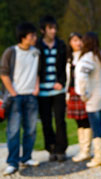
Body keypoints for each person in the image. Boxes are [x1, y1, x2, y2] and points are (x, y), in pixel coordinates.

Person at [0, 22, 40, 176]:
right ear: (23, 37)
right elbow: (3, 73)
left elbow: (37, 71)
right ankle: (12, 162)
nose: (35, 38)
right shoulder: (11, 52)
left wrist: (36, 87)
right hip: (15, 97)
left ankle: (26, 157)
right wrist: (13, 92)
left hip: (31, 95)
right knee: (13, 130)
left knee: (30, 130)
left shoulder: (36, 52)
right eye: (32, 36)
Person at [36, 15, 68, 162]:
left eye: (55, 28)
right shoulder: (36, 46)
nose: (53, 31)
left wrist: (61, 82)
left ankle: (61, 149)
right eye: (50, 28)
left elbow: (64, 68)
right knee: (46, 121)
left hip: (58, 90)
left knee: (60, 120)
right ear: (43, 30)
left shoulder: (61, 45)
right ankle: (51, 148)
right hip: (42, 91)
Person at [75, 32, 101, 167]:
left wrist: (84, 94)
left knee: (95, 126)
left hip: (93, 97)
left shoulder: (87, 58)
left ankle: (99, 157)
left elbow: (82, 79)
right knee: (100, 124)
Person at [65, 32, 92, 162]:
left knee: (86, 120)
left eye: (80, 39)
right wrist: (67, 94)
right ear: (70, 43)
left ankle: (86, 150)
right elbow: (68, 78)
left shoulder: (87, 56)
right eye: (75, 40)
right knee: (78, 121)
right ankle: (82, 149)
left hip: (84, 92)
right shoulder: (69, 58)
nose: (78, 43)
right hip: (72, 91)